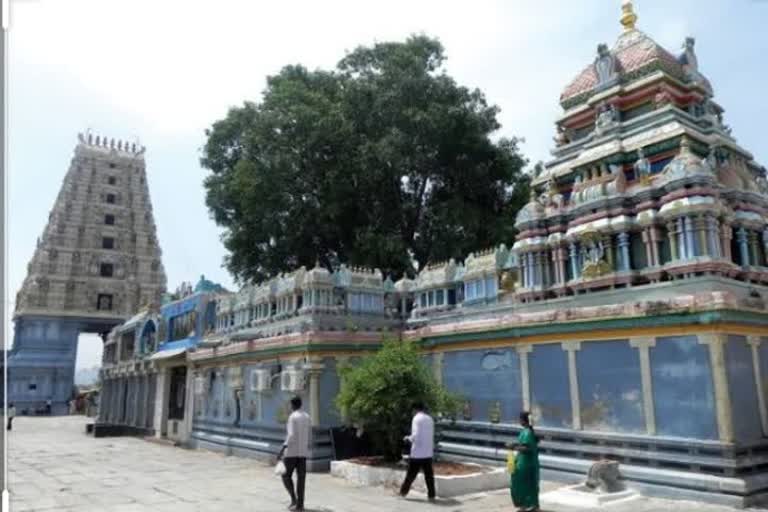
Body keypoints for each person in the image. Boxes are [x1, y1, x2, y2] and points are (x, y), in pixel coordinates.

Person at [277, 396, 311, 511]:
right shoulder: (307, 416)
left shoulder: (293, 417)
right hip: (303, 452)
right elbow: (309, 434)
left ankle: (293, 499)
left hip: (291, 452)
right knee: (301, 479)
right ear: (301, 404)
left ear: (293, 405)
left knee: (285, 476)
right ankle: (300, 505)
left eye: (291, 405)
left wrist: (282, 449)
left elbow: (290, 435)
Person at [399, 401, 436, 502]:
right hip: (428, 452)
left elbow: (416, 435)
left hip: (418, 453)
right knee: (429, 476)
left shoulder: (416, 419)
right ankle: (431, 495)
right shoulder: (430, 419)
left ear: (415, 409)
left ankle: (403, 492)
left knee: (411, 474)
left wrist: (408, 438)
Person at [510, 411, 540, 512]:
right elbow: (525, 444)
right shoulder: (529, 431)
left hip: (525, 464)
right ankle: (533, 505)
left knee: (521, 484)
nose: (519, 421)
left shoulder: (527, 432)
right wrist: (515, 445)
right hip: (529, 463)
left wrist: (513, 447)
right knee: (531, 484)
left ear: (523, 420)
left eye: (520, 419)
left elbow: (526, 448)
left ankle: (525, 505)